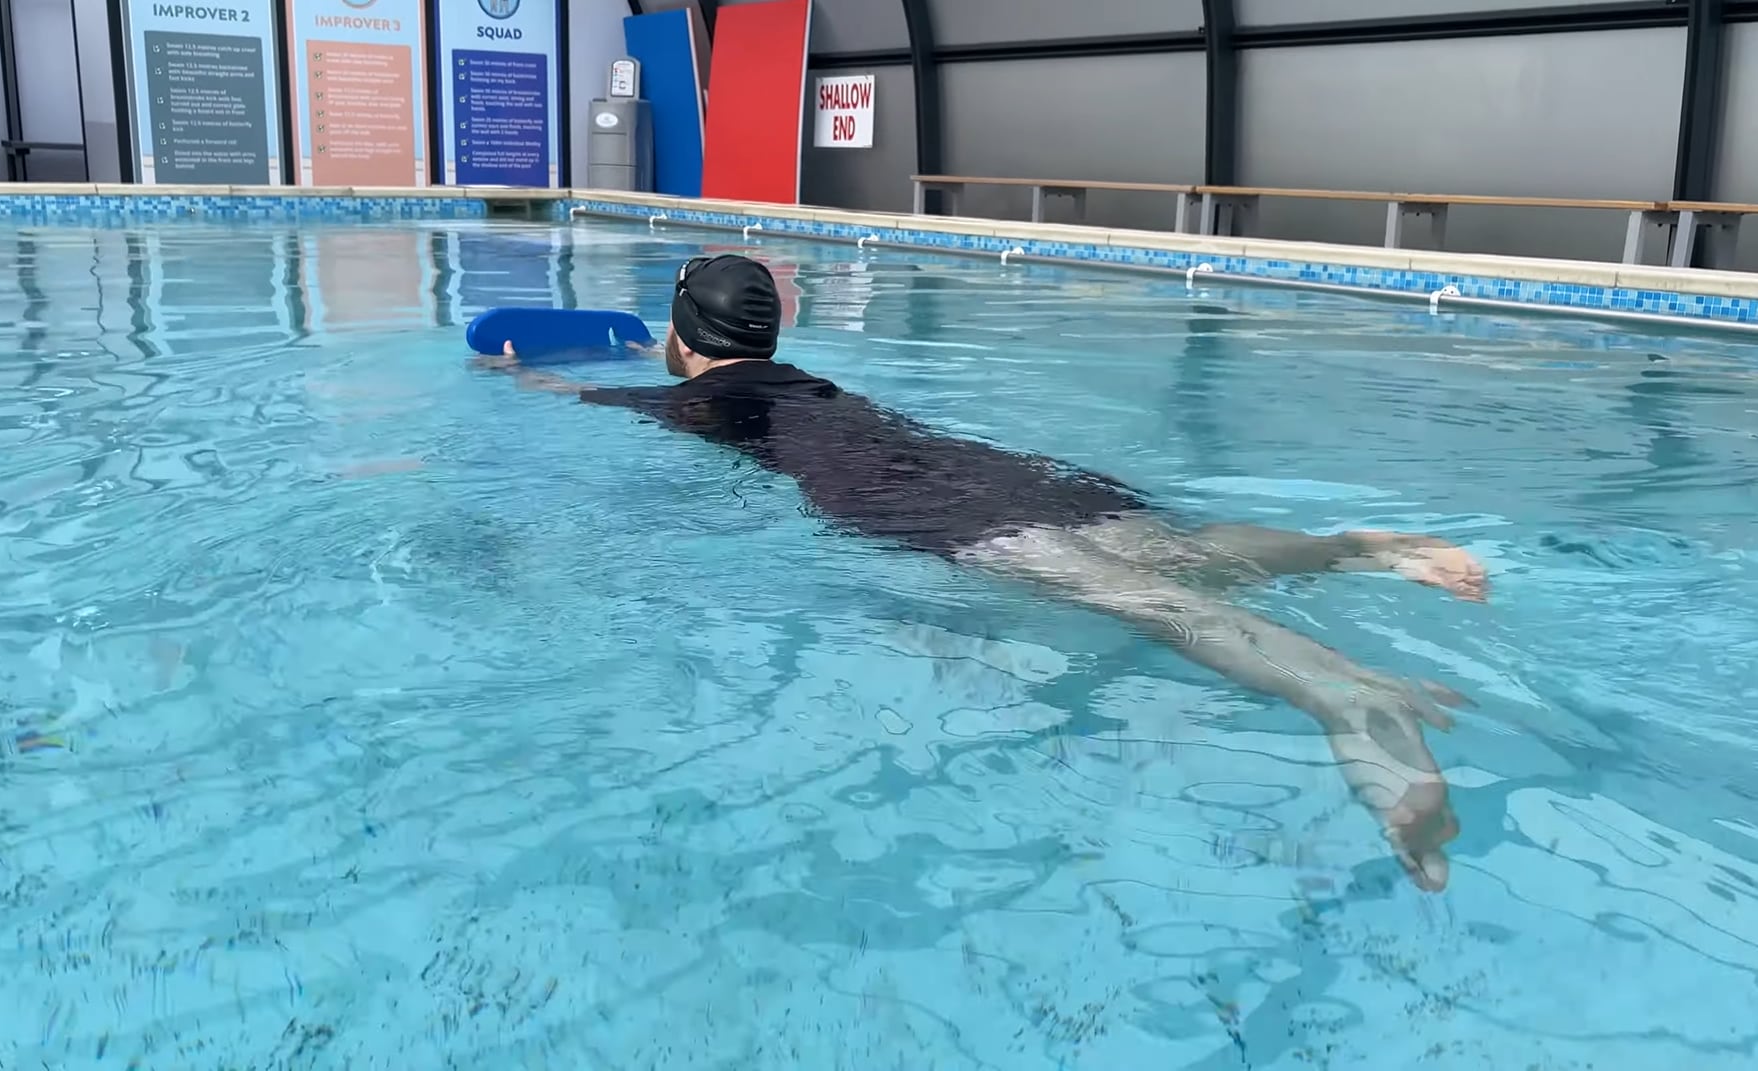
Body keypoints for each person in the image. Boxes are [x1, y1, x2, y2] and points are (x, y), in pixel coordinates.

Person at [473, 253, 1487, 892]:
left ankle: (1346, 698)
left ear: (685, 341)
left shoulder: (689, 403)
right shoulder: (817, 383)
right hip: (988, 469)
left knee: (1139, 598)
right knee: (1165, 551)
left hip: (930, 509)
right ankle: (1354, 548)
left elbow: (587, 397)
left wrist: (520, 374)